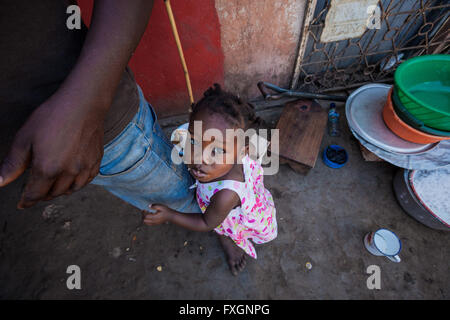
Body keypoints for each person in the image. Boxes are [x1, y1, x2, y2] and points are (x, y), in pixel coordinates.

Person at [0, 1, 199, 213]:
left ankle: (219, 219)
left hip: (95, 123)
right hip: (36, 143)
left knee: (181, 195)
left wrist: (84, 107)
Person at [143, 84, 278, 275]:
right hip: (219, 202)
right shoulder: (217, 162)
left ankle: (228, 241)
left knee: (221, 226)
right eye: (194, 141)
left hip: (226, 214)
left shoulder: (226, 195)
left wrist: (170, 215)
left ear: (241, 153)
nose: (200, 158)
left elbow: (207, 222)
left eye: (218, 150)